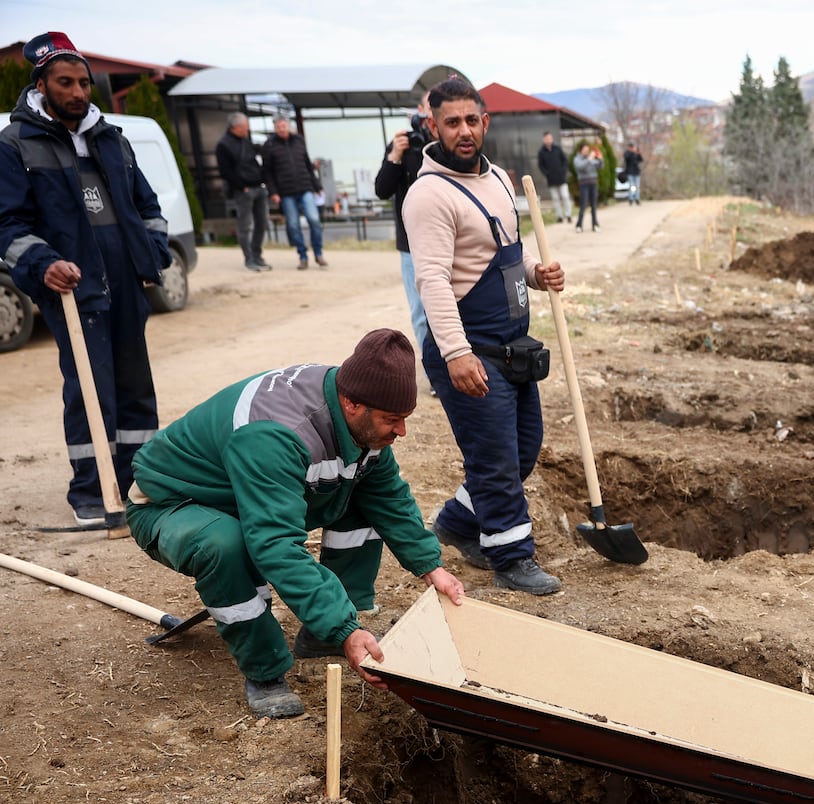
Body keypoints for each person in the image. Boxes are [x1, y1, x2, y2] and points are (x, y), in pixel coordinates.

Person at [126, 329, 465, 719]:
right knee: (225, 544)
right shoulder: (276, 433)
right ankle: (265, 670)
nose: (401, 431)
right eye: (392, 420)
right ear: (352, 404)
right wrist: (346, 628)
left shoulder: (356, 409)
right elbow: (274, 544)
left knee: (360, 498)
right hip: (174, 503)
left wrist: (430, 567)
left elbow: (386, 494)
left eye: (405, 419)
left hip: (246, 492)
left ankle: (325, 635)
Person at [402, 75, 566, 596]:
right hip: (469, 349)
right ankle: (511, 557)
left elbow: (502, 257)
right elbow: (433, 280)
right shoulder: (428, 196)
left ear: (485, 121)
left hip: (512, 346)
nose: (464, 130)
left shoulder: (497, 178)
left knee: (523, 448)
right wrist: (456, 353)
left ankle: (455, 522)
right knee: (493, 459)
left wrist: (537, 274)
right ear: (434, 125)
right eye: (452, 122)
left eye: (472, 120)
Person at [0, 31, 170, 527]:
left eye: (83, 83)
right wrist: (42, 263)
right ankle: (94, 493)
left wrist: (151, 253)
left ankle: (139, 484)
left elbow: (149, 208)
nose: (77, 92)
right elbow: (7, 224)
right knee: (90, 390)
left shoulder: (111, 140)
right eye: (65, 82)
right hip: (73, 292)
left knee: (137, 387)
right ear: (41, 83)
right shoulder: (15, 145)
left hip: (127, 285)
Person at [373, 93, 433, 348]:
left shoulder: (451, 143)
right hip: (411, 245)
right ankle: (434, 374)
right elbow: (382, 190)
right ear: (418, 110)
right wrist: (395, 156)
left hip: (449, 239)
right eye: (429, 107)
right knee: (421, 313)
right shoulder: (403, 144)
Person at [261, 113, 326, 270]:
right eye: (278, 127)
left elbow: (307, 165)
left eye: (283, 125)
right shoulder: (269, 146)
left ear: (288, 126)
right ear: (275, 128)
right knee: (293, 225)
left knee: (314, 220)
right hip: (285, 192)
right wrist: (273, 192)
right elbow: (267, 172)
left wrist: (316, 186)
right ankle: (302, 256)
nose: (281, 129)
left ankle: (318, 253)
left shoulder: (299, 141)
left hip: (305, 188)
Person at [215, 112, 271, 272]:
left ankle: (257, 255)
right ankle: (249, 259)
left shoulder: (246, 141)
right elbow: (225, 171)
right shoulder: (223, 145)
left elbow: (253, 162)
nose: (248, 129)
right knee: (245, 226)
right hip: (243, 191)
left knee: (262, 223)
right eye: (245, 126)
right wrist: (242, 186)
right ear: (237, 127)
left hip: (258, 187)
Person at [537, 131, 571, 223]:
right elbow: (541, 165)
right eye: (546, 139)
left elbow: (565, 161)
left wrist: (563, 171)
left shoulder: (558, 149)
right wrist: (547, 174)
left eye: (549, 138)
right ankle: (559, 216)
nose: (548, 140)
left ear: (552, 138)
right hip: (551, 180)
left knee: (565, 196)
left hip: (561, 178)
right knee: (555, 199)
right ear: (544, 140)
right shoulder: (541, 152)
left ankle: (568, 215)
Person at [572, 143, 600, 232]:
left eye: (587, 150)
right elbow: (581, 167)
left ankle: (595, 224)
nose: (586, 152)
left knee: (594, 205)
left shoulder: (590, 158)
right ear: (581, 150)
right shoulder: (577, 159)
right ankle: (579, 225)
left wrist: (600, 158)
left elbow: (600, 166)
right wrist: (589, 159)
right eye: (585, 150)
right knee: (583, 205)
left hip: (593, 183)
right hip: (584, 184)